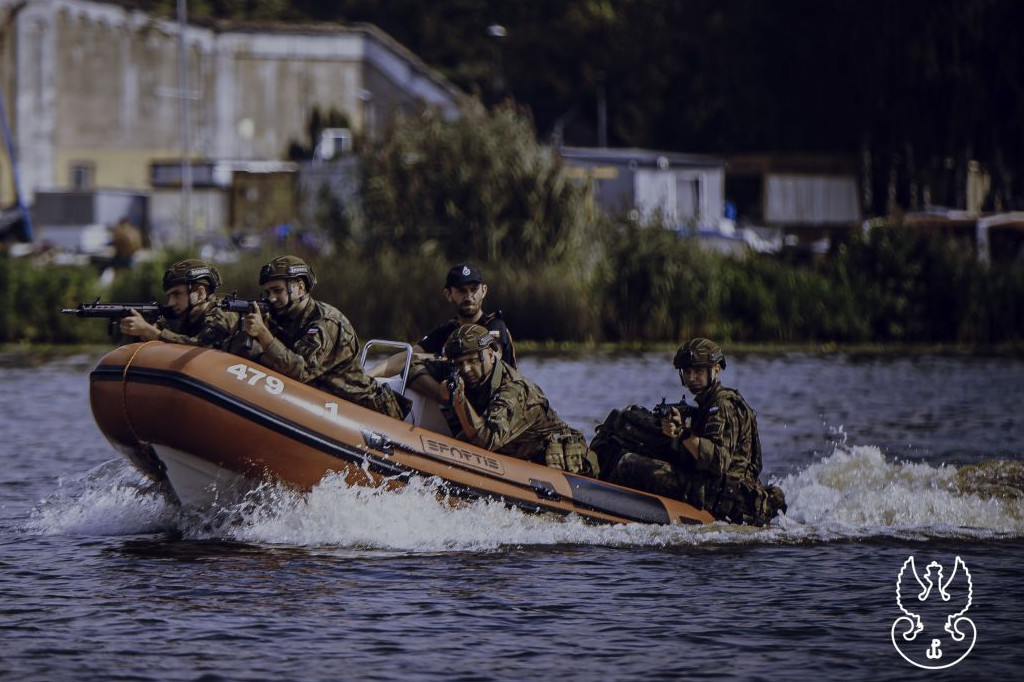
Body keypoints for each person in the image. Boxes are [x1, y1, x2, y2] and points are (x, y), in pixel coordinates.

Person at [603, 338, 786, 525]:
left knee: (629, 463)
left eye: (698, 371)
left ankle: (604, 507)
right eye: (687, 372)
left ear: (716, 370)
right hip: (713, 487)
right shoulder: (707, 405)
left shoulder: (722, 407)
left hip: (722, 498)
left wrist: (682, 432)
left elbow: (718, 462)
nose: (691, 378)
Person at [408, 324, 597, 476]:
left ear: (491, 354)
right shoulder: (458, 373)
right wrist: (439, 392)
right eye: (460, 363)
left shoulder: (515, 390)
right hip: (510, 456)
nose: (466, 369)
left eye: (473, 361)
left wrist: (458, 400)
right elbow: (411, 367)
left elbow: (485, 441)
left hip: (554, 465)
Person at [240, 255, 405, 420]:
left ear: (300, 287)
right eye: (267, 292)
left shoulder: (326, 322)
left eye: (277, 290)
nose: (271, 298)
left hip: (363, 409)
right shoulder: (282, 318)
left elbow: (300, 372)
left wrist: (264, 334)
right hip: (322, 403)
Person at [367, 262, 516, 379]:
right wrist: (367, 375)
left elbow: (488, 361)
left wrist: (430, 358)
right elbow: (408, 356)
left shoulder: (494, 326)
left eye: (474, 289)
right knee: (413, 370)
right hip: (459, 397)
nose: (469, 296)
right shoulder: (447, 331)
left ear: (483, 291)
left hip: (499, 400)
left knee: (418, 366)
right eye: (462, 291)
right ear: (449, 294)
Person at [119, 258, 241, 350]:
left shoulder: (224, 313)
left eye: (177, 294)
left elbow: (201, 347)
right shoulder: (189, 319)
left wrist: (152, 333)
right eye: (169, 296)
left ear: (200, 293)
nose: (171, 303)